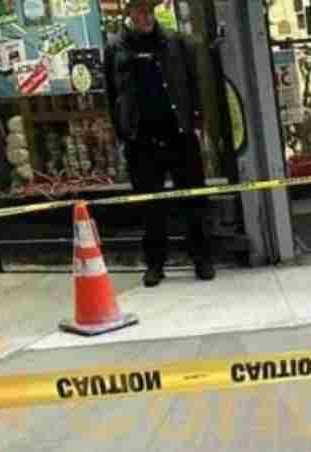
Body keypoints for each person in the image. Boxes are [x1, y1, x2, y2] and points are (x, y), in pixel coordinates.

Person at [104, 0, 214, 286]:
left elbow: (193, 84)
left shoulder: (176, 42)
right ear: (129, 13)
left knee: (193, 198)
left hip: (178, 134)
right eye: (140, 11)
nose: (146, 16)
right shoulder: (116, 48)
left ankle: (201, 257)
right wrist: (122, 132)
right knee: (149, 206)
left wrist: (197, 122)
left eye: (150, 10)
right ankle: (155, 263)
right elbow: (111, 93)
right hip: (141, 139)